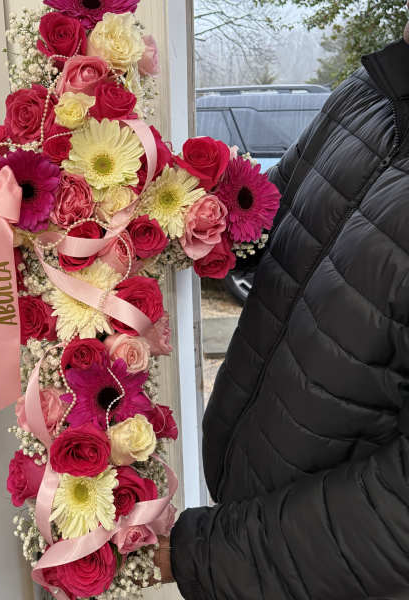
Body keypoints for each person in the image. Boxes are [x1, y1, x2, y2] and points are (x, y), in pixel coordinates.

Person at [156, 12, 409, 600]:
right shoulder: (372, 94)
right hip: (256, 517)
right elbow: (266, 221)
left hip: (329, 574)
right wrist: (152, 211)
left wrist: (205, 555)